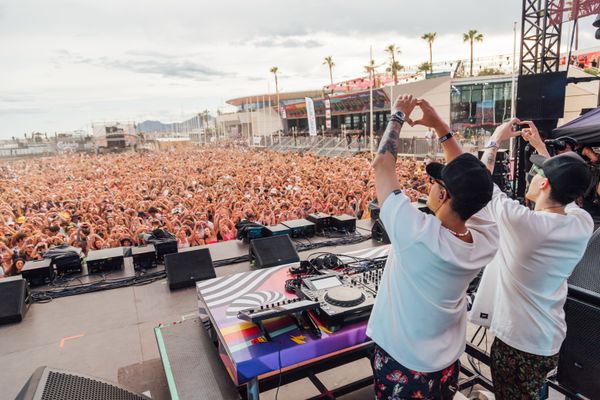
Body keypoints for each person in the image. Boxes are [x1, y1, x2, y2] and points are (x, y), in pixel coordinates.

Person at [367, 95, 499, 399]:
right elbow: (475, 182)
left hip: (404, 361)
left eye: (436, 182)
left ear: (442, 195)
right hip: (448, 362)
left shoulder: (416, 233)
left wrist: (398, 114)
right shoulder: (485, 239)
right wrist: (440, 127)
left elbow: (381, 164)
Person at [475, 120, 594, 400]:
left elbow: (480, 184)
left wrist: (495, 139)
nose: (532, 175)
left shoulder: (524, 223)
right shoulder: (582, 222)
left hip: (517, 343)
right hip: (549, 342)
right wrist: (541, 148)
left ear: (544, 183)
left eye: (538, 171)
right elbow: (566, 186)